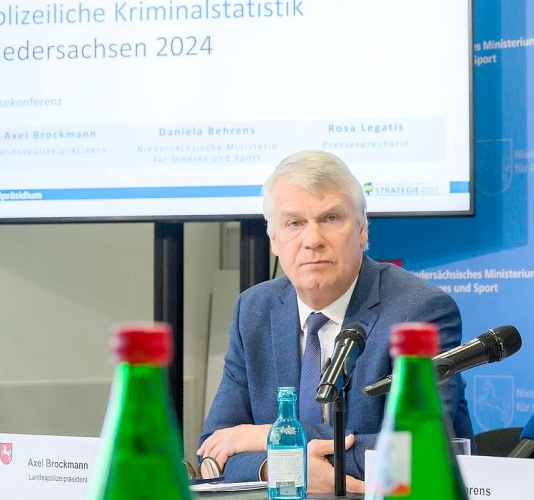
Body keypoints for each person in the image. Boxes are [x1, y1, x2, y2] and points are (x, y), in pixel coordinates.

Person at [198, 150, 473, 490]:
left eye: (330, 218)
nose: (312, 240)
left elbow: (418, 451)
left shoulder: (419, 312)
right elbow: (215, 449)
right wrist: (281, 468)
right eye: (294, 223)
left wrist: (274, 436)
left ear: (361, 229)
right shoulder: (254, 310)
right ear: (274, 241)